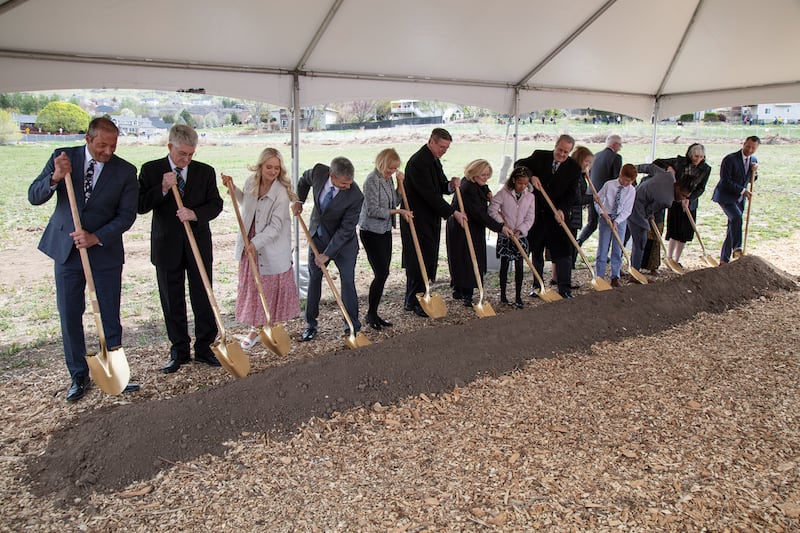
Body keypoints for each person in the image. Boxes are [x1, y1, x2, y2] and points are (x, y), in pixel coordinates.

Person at [28, 117, 139, 402]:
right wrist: (54, 177)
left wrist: (96, 236)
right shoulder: (63, 158)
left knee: (109, 314)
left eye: (113, 145)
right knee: (69, 314)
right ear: (88, 139)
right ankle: (78, 375)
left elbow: (126, 216)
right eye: (102, 145)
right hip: (67, 252)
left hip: (104, 253)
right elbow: (34, 195)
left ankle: (116, 370)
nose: (108, 151)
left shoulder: (125, 171)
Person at [138, 124, 224, 374]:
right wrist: (163, 188)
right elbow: (140, 205)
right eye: (181, 154)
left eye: (190, 154)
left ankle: (205, 347)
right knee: (171, 299)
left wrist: (195, 213)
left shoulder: (204, 172)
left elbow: (216, 205)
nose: (186, 159)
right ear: (169, 147)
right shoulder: (151, 170)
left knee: (203, 295)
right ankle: (179, 350)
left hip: (198, 244)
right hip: (167, 246)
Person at [221, 147, 300, 350]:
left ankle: (260, 329)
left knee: (267, 288)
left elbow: (275, 227)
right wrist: (233, 189)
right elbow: (246, 202)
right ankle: (260, 327)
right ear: (261, 166)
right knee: (254, 288)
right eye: (269, 166)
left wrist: (255, 243)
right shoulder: (252, 182)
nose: (272, 171)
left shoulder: (280, 193)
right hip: (250, 241)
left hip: (268, 245)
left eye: (276, 167)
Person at [292, 157, 364, 341]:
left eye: (349, 183)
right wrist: (299, 200)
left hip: (344, 244)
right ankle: (310, 324)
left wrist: (328, 254)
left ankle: (352, 326)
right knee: (314, 278)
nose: (347, 186)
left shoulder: (356, 195)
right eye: (343, 183)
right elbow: (303, 180)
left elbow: (346, 229)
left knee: (347, 281)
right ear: (331, 175)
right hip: (318, 236)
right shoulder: (318, 172)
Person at [399, 128, 466, 317]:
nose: (444, 151)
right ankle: (416, 299)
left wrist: (450, 186)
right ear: (431, 141)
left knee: (427, 256)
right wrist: (452, 212)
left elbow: (440, 186)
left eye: (446, 148)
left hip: (429, 217)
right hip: (415, 217)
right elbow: (428, 195)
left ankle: (413, 299)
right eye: (442, 147)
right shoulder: (419, 162)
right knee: (418, 257)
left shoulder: (433, 159)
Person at [515, 134, 582, 298]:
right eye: (560, 150)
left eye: (566, 152)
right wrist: (530, 175)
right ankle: (537, 286)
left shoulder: (574, 168)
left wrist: (562, 210)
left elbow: (571, 194)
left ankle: (564, 288)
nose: (562, 155)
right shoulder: (539, 156)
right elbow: (519, 165)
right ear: (555, 145)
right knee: (536, 251)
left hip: (556, 216)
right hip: (536, 214)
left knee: (563, 251)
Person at [358, 148, 412, 331]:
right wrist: (399, 212)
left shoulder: (389, 179)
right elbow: (373, 210)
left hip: (385, 230)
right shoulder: (372, 180)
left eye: (395, 169)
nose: (391, 172)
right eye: (390, 168)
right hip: (371, 231)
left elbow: (395, 201)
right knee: (381, 273)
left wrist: (399, 184)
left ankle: (374, 312)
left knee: (384, 273)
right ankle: (370, 313)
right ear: (382, 163)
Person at [445, 159, 511, 307]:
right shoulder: (468, 188)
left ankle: (460, 289)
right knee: (466, 259)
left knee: (471, 257)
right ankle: (465, 293)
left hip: (473, 226)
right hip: (462, 227)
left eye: (488, 175)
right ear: (474, 173)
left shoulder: (476, 183)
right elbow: (480, 214)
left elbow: (484, 187)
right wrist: (500, 228)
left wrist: (487, 191)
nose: (486, 178)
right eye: (483, 174)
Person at [629, 162, 692, 271]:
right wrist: (649, 215)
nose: (682, 199)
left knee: (629, 237)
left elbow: (650, 167)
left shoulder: (668, 175)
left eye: (686, 197)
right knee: (640, 241)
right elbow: (648, 210)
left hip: (633, 196)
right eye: (682, 195)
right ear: (677, 187)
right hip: (636, 208)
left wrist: (636, 169)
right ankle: (635, 271)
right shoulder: (667, 201)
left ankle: (630, 269)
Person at [489, 166, 535, 307]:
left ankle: (518, 297)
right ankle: (503, 295)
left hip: (520, 237)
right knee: (504, 266)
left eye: (525, 184)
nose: (522, 186)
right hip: (505, 236)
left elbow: (530, 217)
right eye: (520, 183)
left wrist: (520, 230)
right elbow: (492, 210)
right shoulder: (503, 193)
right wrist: (503, 226)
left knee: (520, 266)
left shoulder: (530, 197)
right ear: (514, 180)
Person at [712, 136, 760, 264]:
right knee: (737, 218)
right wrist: (743, 191)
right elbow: (725, 181)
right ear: (743, 144)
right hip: (725, 196)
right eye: (748, 146)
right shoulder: (730, 159)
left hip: (739, 198)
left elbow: (751, 179)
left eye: (753, 148)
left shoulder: (753, 160)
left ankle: (724, 260)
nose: (749, 150)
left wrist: (754, 172)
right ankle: (737, 248)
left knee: (733, 228)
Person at [662, 143, 712, 265]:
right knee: (674, 230)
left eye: (701, 157)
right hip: (676, 200)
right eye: (696, 156)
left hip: (690, 203)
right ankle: (668, 257)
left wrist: (690, 198)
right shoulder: (680, 162)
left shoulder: (706, 169)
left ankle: (676, 260)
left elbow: (701, 188)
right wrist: (669, 168)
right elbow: (659, 162)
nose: (698, 159)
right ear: (690, 155)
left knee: (685, 232)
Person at [593, 163, 637, 286]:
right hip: (605, 218)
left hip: (620, 220)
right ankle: (599, 277)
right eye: (626, 180)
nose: (628, 183)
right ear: (620, 175)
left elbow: (627, 210)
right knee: (603, 248)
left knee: (618, 249)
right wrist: (602, 213)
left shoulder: (631, 191)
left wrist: (617, 221)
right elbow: (597, 201)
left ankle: (615, 276)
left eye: (631, 181)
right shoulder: (609, 185)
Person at [577, 134, 622, 246]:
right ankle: (603, 252)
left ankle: (579, 241)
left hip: (591, 193)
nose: (620, 148)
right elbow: (616, 180)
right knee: (607, 226)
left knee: (592, 223)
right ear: (615, 145)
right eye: (620, 145)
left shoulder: (596, 155)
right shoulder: (616, 158)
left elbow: (589, 175)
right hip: (605, 197)